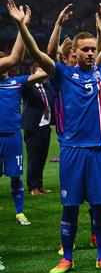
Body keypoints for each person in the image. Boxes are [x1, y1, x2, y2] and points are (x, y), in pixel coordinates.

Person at [9, 0, 101, 273]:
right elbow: (37, 54)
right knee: (70, 207)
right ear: (74, 52)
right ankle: (67, 258)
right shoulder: (62, 74)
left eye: (93, 49)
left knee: (100, 206)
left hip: (100, 150)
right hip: (71, 151)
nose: (90, 53)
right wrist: (22, 26)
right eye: (85, 49)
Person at [1, 7, 41, 226]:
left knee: (15, 175)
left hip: (13, 136)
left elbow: (40, 74)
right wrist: (22, 25)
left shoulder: (15, 83)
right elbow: (15, 58)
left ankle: (19, 212)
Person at [21, 62, 54, 196]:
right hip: (33, 128)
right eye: (39, 72)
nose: (42, 75)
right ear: (32, 74)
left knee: (42, 158)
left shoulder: (47, 87)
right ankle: (33, 187)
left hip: (45, 127)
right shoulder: (28, 88)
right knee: (33, 158)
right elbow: (26, 84)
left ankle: (39, 185)